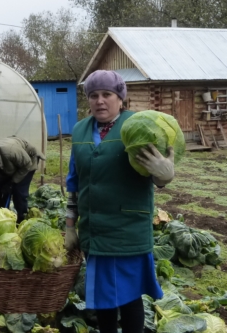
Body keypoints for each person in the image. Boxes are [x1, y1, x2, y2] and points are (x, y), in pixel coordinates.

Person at [63, 70, 175, 333]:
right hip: (94, 230)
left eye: (107, 95)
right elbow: (74, 182)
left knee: (129, 298)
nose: (100, 101)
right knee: (102, 300)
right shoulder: (80, 129)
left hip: (127, 230)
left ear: (120, 99)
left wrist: (164, 176)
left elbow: (156, 175)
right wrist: (70, 225)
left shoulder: (137, 126)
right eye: (93, 95)